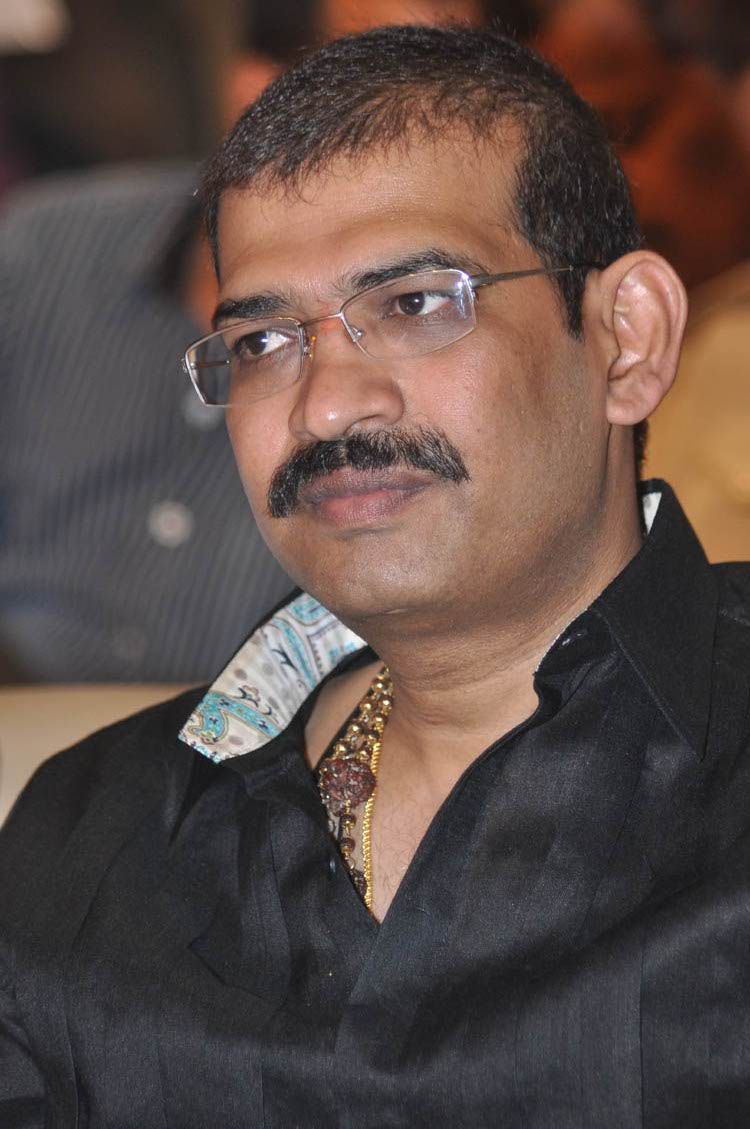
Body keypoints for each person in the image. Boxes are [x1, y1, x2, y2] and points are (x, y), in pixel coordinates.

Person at [2, 23, 750, 1126]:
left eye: (414, 304)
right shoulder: (91, 833)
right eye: (264, 342)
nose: (326, 405)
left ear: (624, 339)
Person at [0, 4, 319, 682]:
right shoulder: (43, 252)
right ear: (256, 89)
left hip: (254, 738)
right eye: (375, 86)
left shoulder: (432, 343)